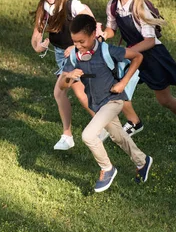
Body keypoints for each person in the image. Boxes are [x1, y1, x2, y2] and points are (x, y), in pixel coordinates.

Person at [98, 0, 176, 140]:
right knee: (116, 87)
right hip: (131, 54)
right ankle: (134, 121)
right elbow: (111, 28)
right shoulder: (113, 5)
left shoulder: (140, 8)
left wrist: (124, 52)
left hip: (152, 56)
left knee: (164, 100)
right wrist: (104, 35)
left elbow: (150, 41)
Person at [60, 14, 153, 192]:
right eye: (75, 42)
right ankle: (142, 161)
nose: (78, 46)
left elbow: (138, 57)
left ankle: (107, 169)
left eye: (82, 41)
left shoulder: (107, 50)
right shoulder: (74, 55)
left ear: (93, 35)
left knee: (88, 136)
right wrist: (69, 77)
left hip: (113, 100)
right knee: (118, 136)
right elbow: (64, 85)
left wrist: (123, 82)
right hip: (98, 104)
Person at [31, 0, 98, 150]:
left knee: (60, 92)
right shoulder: (44, 7)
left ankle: (68, 136)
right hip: (62, 55)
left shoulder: (72, 5)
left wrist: (77, 46)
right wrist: (39, 46)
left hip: (77, 54)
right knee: (78, 92)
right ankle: (104, 124)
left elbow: (91, 23)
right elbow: (36, 35)